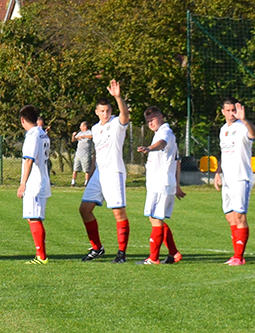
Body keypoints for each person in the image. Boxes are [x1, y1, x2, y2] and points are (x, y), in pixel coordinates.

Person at [79, 79, 131, 263]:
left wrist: (118, 97)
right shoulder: (94, 128)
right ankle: (97, 248)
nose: (105, 114)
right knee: (84, 209)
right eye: (102, 111)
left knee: (118, 212)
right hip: (99, 174)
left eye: (108, 111)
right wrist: (91, 174)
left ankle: (121, 253)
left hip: (114, 173)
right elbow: (96, 154)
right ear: (97, 112)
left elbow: (125, 116)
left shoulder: (116, 123)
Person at [136, 107, 185, 265]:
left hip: (161, 184)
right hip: (162, 184)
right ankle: (173, 253)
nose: (150, 123)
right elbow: (177, 161)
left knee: (156, 219)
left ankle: (153, 258)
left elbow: (161, 144)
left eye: (153, 119)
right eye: (148, 121)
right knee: (156, 219)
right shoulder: (163, 133)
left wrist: (149, 148)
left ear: (161, 117)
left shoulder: (165, 133)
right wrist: (177, 185)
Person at [213, 98, 255, 266]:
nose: (231, 113)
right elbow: (223, 153)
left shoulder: (242, 128)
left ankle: (239, 257)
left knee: (240, 216)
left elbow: (254, 134)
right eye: (228, 110)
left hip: (241, 178)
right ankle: (236, 255)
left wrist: (244, 119)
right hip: (227, 179)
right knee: (230, 216)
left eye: (234, 110)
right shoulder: (223, 129)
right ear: (222, 112)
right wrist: (218, 173)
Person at [17, 105, 51, 264]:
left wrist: (23, 183)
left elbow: (29, 159)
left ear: (23, 120)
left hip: (35, 181)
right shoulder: (42, 133)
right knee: (33, 217)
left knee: (34, 217)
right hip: (42, 179)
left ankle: (41, 256)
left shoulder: (32, 135)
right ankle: (40, 255)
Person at [71, 121, 93, 187]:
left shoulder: (89, 132)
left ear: (85, 126)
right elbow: (73, 140)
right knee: (75, 169)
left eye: (81, 126)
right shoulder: (79, 133)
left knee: (86, 170)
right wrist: (73, 136)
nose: (80, 127)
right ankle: (73, 182)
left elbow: (92, 136)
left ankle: (86, 183)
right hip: (78, 154)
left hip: (86, 155)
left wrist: (83, 136)